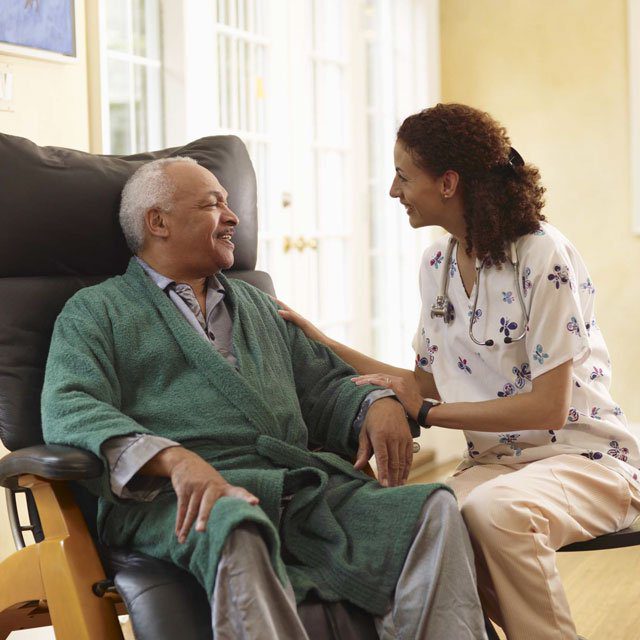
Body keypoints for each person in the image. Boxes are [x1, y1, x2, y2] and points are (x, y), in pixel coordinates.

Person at [41, 155, 488, 639]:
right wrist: (173, 459)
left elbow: (323, 386)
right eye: (213, 205)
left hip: (296, 487)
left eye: (230, 204)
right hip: (179, 499)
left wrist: (373, 405)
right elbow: (70, 406)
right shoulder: (96, 311)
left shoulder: (255, 304)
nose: (233, 218)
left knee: (431, 509)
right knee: (235, 520)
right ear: (158, 222)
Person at [277, 103, 640, 640]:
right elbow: (421, 383)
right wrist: (324, 344)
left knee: (495, 513)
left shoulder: (543, 254)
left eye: (403, 176)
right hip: (493, 466)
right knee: (422, 523)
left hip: (584, 459)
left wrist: (428, 414)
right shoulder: (435, 268)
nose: (393, 191)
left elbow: (548, 407)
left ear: (447, 183)